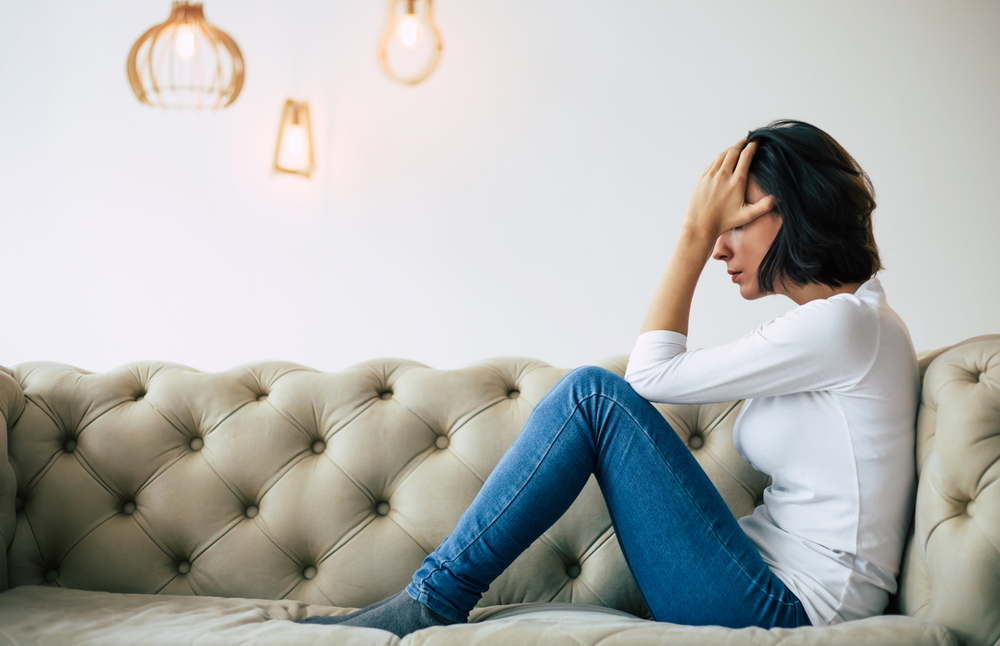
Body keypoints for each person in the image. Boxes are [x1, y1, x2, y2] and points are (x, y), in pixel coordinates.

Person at [300, 119, 920, 637]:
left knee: (593, 397)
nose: (720, 249)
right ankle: (433, 597)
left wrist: (690, 232)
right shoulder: (841, 329)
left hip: (791, 614)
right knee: (592, 396)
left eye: (733, 226)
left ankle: (433, 600)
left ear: (788, 215)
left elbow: (649, 374)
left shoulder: (845, 328)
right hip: (759, 583)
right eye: (717, 230)